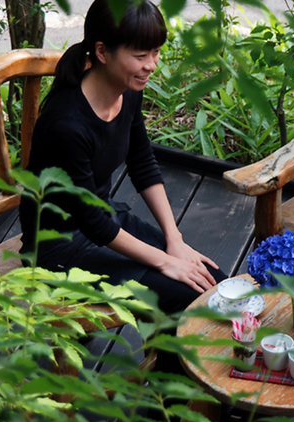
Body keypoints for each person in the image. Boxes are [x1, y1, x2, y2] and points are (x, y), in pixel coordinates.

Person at [19, 0, 225, 314]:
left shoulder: (128, 91)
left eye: (155, 52)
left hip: (105, 221)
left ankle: (167, 362)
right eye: (141, 56)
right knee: (188, 297)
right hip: (60, 249)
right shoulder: (67, 125)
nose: (151, 65)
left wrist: (175, 240)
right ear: (102, 52)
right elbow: (94, 224)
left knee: (213, 282)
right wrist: (165, 262)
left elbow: (142, 162)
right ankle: (168, 362)